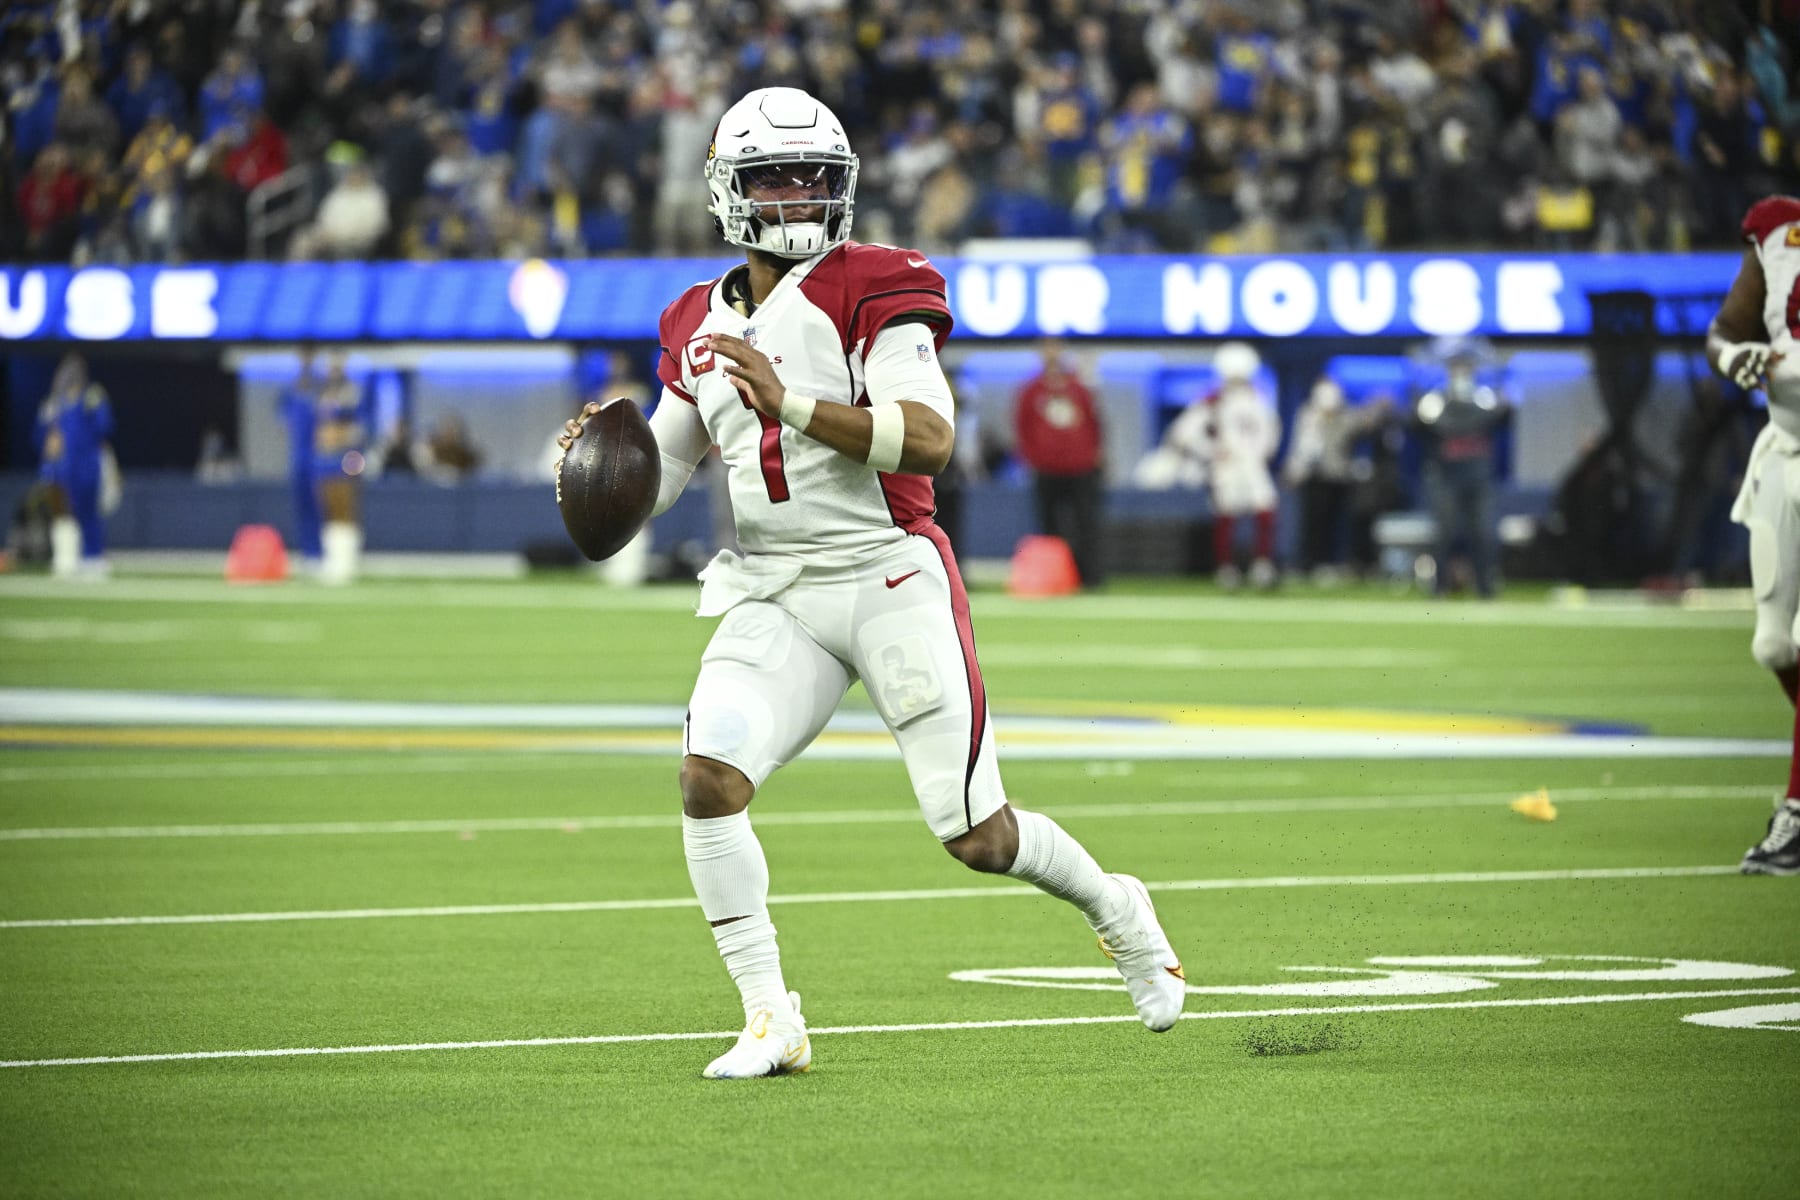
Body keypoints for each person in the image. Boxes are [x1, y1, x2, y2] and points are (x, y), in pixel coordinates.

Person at [557, 87, 1184, 1079]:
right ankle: (772, 1019)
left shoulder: (878, 283)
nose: (801, 196)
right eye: (776, 177)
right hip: (776, 589)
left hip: (889, 573)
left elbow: (928, 441)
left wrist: (792, 400)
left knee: (977, 835)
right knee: (707, 778)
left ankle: (1118, 908)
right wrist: (601, 465)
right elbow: (663, 478)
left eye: (818, 177)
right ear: (729, 190)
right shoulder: (692, 318)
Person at [1709, 193, 1800, 875]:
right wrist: (1733, 358)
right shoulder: (1777, 229)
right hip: (1784, 453)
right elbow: (1724, 332)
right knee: (1774, 644)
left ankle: (1796, 810)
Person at [1413, 342, 1510, 598]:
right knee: (1443, 534)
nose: (1461, 373)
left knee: (1483, 533)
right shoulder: (1435, 401)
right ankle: (1439, 588)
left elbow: (1499, 416)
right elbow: (1429, 424)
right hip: (1445, 478)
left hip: (1478, 478)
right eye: (1456, 368)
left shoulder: (1484, 398)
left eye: (1465, 367)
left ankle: (1486, 589)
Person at [1013, 338, 1106, 588]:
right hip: (1046, 469)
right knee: (1049, 528)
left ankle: (1090, 577)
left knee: (1086, 524)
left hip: (1080, 468)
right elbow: (1022, 427)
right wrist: (1031, 458)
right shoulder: (1031, 391)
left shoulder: (1079, 389)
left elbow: (1095, 423)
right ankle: (1054, 578)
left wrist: (1095, 454)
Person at [1283, 378, 1392, 583]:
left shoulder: (1344, 417)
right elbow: (1301, 446)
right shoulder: (1309, 416)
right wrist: (1294, 468)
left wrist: (1376, 405)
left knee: (1335, 524)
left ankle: (1330, 563)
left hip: (1338, 477)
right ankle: (1308, 563)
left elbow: (1364, 421)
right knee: (1312, 524)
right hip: (1315, 476)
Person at [1204, 342, 1282, 589]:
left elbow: (1270, 430)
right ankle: (1226, 567)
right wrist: (1214, 453)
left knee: (1265, 508)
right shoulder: (1214, 401)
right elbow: (1192, 433)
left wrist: (1260, 455)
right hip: (1228, 465)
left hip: (1252, 463)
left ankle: (1261, 565)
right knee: (1226, 514)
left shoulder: (1258, 400)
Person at [34, 355, 114, 579]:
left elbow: (104, 426)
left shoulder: (92, 397)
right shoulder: (53, 403)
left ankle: (93, 557)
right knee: (62, 514)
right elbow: (40, 436)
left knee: (88, 512)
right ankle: (65, 558)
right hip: (59, 467)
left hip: (86, 466)